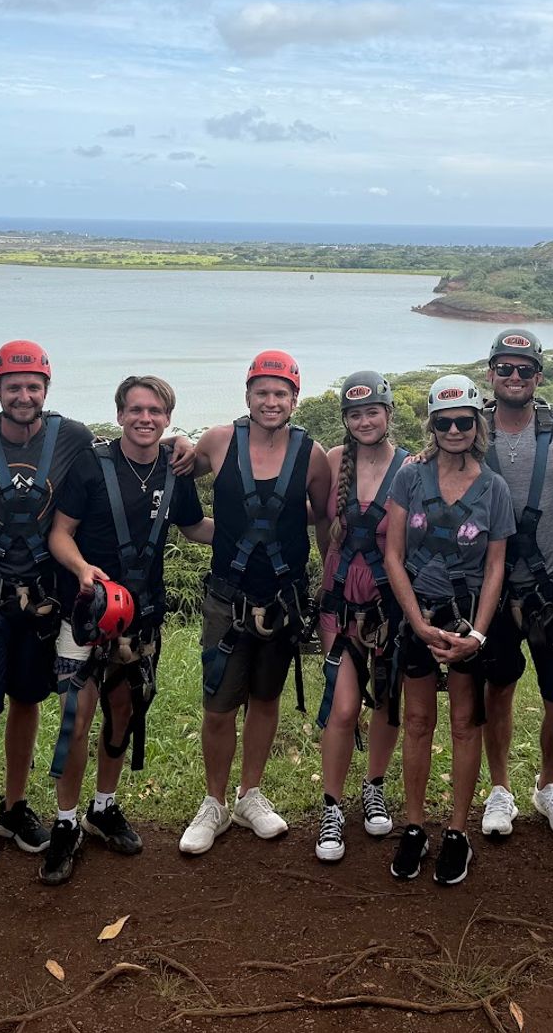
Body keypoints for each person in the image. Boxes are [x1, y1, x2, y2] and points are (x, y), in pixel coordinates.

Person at [43, 375, 214, 883]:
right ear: (120, 415)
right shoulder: (91, 467)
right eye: (136, 410)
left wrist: (248, 535)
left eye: (156, 411)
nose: (145, 418)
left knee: (124, 711)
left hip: (143, 618)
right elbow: (60, 533)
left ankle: (104, 806)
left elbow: (193, 528)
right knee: (76, 719)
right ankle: (66, 821)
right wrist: (82, 571)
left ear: (167, 418)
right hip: (88, 611)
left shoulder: (175, 469)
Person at [0, 341, 95, 878]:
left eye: (33, 386)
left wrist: (180, 447)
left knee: (27, 702)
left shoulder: (72, 437)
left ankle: (13, 807)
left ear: (46, 390)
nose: (24, 396)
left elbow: (113, 460)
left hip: (40, 599)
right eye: (14, 387)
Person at [178, 349, 333, 855]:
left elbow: (321, 516)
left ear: (295, 399)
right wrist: (177, 439)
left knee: (266, 698)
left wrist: (328, 574)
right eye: (262, 393)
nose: (271, 401)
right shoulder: (219, 441)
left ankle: (251, 793)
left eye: (280, 394)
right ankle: (215, 801)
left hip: (283, 595)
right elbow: (181, 473)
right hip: (228, 595)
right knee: (219, 703)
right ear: (247, 396)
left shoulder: (311, 455)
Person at [380, 374, 512, 885]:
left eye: (463, 421)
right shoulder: (411, 477)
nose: (454, 430)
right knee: (416, 721)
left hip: (467, 616)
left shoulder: (493, 488)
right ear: (432, 426)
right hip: (418, 613)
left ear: (477, 424)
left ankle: (457, 830)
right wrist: (413, 620)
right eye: (444, 422)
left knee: (464, 723)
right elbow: (393, 552)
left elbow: (497, 565)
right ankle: (414, 826)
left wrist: (477, 635)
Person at [476, 329, 553, 842]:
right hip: (491, 584)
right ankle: (500, 787)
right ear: (491, 374)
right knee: (496, 688)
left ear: (538, 375)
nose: (515, 377)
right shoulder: (468, 427)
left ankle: (549, 785)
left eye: (524, 369)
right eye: (505, 368)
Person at [312, 370, 410, 863]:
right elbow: (321, 527)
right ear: (346, 421)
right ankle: (332, 804)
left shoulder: (410, 468)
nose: (365, 420)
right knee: (343, 708)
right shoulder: (332, 462)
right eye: (355, 414)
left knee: (386, 703)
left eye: (372, 411)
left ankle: (374, 784)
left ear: (389, 414)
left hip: (387, 606)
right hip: (341, 607)